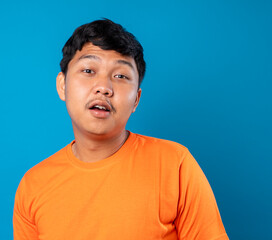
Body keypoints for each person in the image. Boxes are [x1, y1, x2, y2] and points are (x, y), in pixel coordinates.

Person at [13, 19, 228, 240]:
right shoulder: (33, 185)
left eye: (121, 76)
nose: (104, 88)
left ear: (136, 99)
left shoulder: (175, 164)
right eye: (88, 70)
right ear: (63, 85)